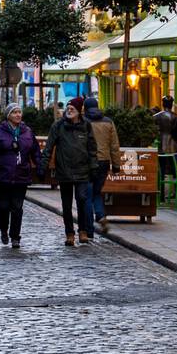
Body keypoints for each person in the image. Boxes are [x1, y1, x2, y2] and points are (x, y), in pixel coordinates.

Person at [42, 97, 98, 245]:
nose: (69, 110)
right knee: (66, 204)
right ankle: (69, 233)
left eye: (72, 108)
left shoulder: (86, 126)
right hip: (64, 170)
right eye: (68, 108)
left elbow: (92, 148)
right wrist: (43, 167)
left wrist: (94, 168)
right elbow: (48, 148)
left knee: (81, 200)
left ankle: (83, 231)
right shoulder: (58, 126)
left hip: (82, 170)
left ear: (80, 111)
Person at [0, 104, 42, 249]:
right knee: (4, 207)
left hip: (21, 175)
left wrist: (40, 167)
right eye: (14, 112)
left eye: (19, 112)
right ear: (8, 115)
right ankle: (4, 229)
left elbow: (35, 151)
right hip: (3, 175)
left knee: (17, 207)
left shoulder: (27, 132)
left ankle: (15, 236)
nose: (18, 115)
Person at [83, 95, 121, 231]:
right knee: (97, 191)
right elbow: (114, 145)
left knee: (87, 194)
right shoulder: (108, 122)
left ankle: (88, 229)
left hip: (88, 162)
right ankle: (100, 215)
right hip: (104, 161)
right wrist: (116, 165)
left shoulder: (83, 121)